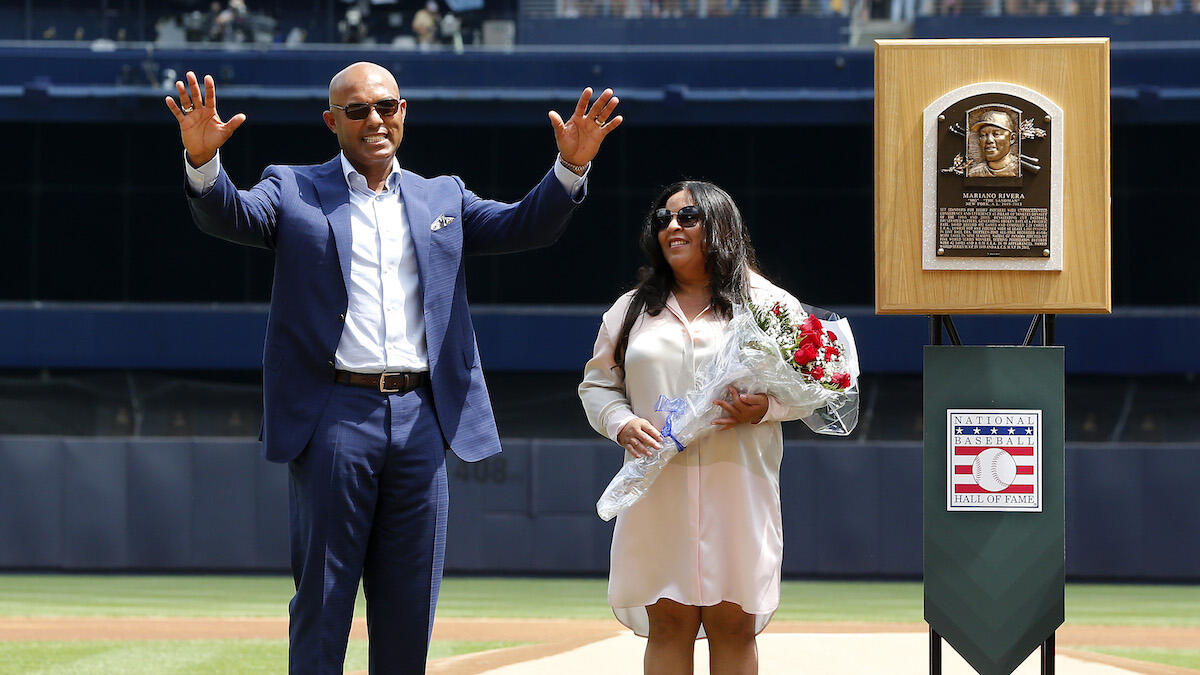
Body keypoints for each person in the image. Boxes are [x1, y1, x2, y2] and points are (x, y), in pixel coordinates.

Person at [164, 63, 621, 673]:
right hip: (334, 411)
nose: (375, 120)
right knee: (324, 598)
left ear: (403, 112)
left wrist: (570, 167)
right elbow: (233, 215)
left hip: (421, 417)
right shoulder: (293, 187)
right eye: (357, 111)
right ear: (332, 122)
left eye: (386, 106)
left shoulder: (443, 196)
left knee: (410, 603)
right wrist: (203, 162)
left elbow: (522, 225)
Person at [579, 181, 814, 674]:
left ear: (720, 225)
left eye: (687, 217)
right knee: (667, 625)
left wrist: (765, 408)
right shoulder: (632, 309)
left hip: (739, 487)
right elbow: (597, 385)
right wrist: (621, 423)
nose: (672, 227)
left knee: (735, 626)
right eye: (663, 219)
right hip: (656, 489)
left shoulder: (767, 304)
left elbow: (815, 386)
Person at [966, 110, 1020, 178]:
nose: (989, 140)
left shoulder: (1019, 169)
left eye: (996, 134)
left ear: (1012, 138)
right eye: (983, 135)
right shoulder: (974, 173)